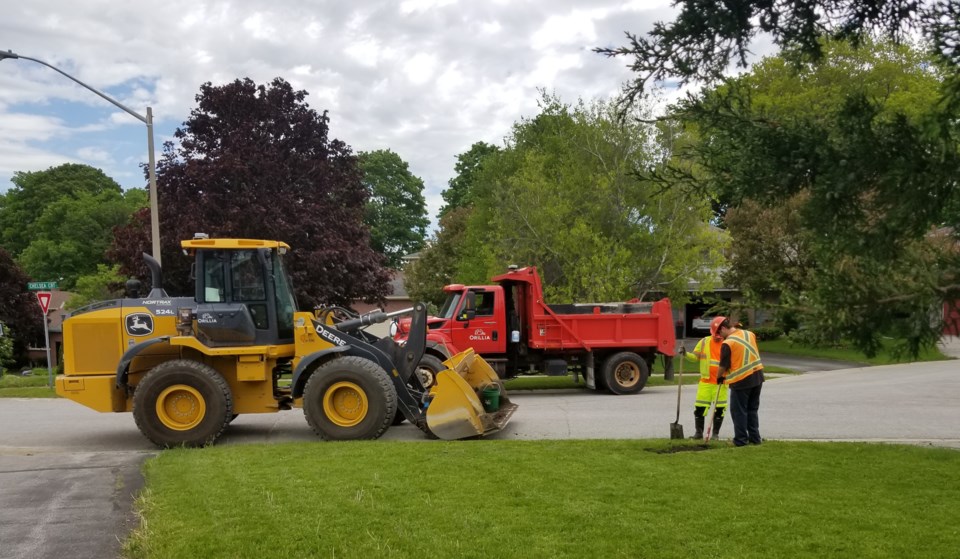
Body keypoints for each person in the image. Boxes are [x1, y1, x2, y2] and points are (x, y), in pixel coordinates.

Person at [715, 317, 765, 446]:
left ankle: (741, 440)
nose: (719, 336)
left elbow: (723, 365)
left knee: (739, 411)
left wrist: (719, 377)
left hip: (741, 380)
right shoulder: (749, 334)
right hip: (758, 376)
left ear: (723, 328)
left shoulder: (728, 343)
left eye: (719, 333)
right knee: (752, 409)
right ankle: (755, 439)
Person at [682, 316, 728, 439]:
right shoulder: (704, 342)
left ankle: (715, 434)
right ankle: (698, 433)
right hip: (706, 382)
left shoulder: (728, 342)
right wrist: (686, 354)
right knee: (700, 409)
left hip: (721, 383)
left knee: (719, 410)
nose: (717, 336)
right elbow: (695, 357)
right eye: (715, 333)